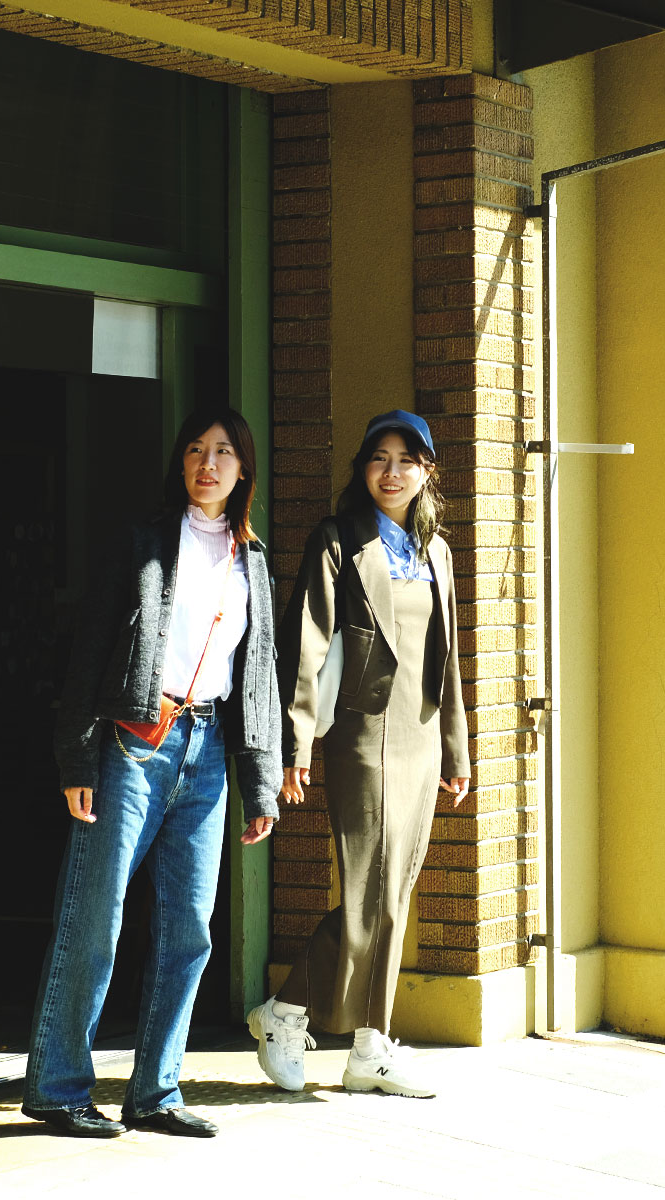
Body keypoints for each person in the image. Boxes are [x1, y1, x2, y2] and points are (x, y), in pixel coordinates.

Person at [23, 408, 281, 1140]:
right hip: (135, 743)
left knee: (188, 929)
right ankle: (58, 1086)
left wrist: (259, 783)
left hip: (206, 754)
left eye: (224, 452)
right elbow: (90, 648)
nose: (208, 463)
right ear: (180, 463)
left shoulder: (251, 558)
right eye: (196, 450)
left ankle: (156, 1091)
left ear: (243, 470)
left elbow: (256, 674)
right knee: (95, 916)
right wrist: (78, 755)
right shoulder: (141, 541)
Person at [249, 409, 470, 1098]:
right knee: (364, 896)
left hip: (423, 737)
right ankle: (285, 1011)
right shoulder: (339, 541)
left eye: (407, 459)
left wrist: (457, 750)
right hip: (363, 737)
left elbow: (448, 660)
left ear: (428, 471)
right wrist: (296, 744)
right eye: (379, 457)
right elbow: (309, 645)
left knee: (395, 895)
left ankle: (371, 1047)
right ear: (362, 468)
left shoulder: (436, 551)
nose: (393, 471)